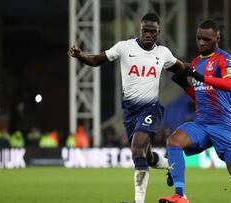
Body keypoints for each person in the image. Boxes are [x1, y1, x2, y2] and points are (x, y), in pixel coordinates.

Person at [68, 13, 185, 203]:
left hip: (151, 109)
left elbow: (181, 67)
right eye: (145, 30)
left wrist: (199, 71)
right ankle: (173, 166)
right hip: (130, 112)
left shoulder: (163, 53)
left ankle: (139, 202)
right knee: (145, 156)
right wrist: (80, 56)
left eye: (152, 31)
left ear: (158, 33)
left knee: (137, 148)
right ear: (140, 30)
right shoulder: (124, 47)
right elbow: (97, 60)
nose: (148, 34)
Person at [158, 20, 231, 203]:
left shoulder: (224, 58)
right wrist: (185, 85)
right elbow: (201, 96)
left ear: (217, 38)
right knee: (174, 141)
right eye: (198, 38)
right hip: (202, 124)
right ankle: (180, 195)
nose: (201, 43)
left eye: (206, 39)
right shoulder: (197, 62)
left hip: (224, 126)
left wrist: (201, 77)